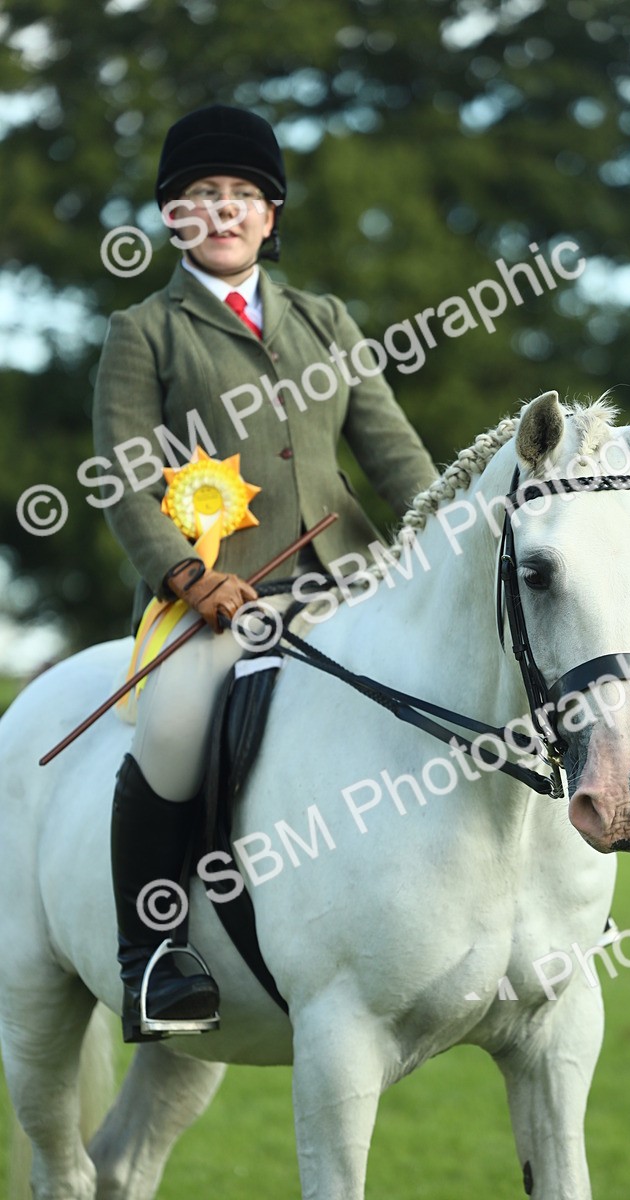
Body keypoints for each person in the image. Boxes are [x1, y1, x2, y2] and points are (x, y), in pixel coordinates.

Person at [93, 103, 437, 1042]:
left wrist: (455, 530)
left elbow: (395, 452)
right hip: (216, 600)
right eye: (204, 195)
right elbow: (123, 472)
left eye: (244, 195)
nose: (226, 210)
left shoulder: (326, 320)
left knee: (471, 671)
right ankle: (153, 959)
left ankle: (541, 908)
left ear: (271, 216)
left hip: (348, 582)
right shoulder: (144, 332)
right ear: (174, 216)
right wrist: (184, 579)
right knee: (169, 729)